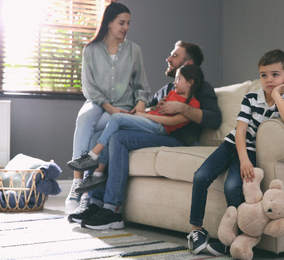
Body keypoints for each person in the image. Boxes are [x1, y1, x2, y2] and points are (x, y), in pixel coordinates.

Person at [67, 41, 222, 230]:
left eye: (174, 56)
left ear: (188, 64)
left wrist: (181, 107)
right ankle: (95, 203)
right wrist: (146, 107)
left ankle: (112, 211)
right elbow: (149, 109)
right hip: (155, 131)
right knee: (100, 134)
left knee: (118, 138)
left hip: (177, 139)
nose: (168, 59)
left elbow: (214, 119)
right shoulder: (168, 89)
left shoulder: (202, 88)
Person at [187, 49, 284, 255]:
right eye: (264, 75)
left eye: (275, 75)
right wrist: (244, 159)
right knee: (201, 176)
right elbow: (240, 131)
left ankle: (233, 239)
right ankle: (196, 230)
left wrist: (276, 95)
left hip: (252, 151)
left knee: (232, 187)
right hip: (232, 145)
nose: (268, 80)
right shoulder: (250, 98)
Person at [65, 2, 150, 211]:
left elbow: (142, 85)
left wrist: (140, 103)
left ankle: (85, 189)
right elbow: (89, 87)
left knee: (96, 131)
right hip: (96, 102)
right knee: (85, 118)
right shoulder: (90, 50)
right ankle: (77, 181)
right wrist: (107, 106)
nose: (126, 27)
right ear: (109, 23)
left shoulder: (134, 50)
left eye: (128, 23)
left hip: (123, 106)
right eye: (121, 22)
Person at [67, 65, 203, 179]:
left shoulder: (193, 105)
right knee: (114, 126)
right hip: (149, 121)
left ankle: (93, 155)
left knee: (116, 118)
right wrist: (148, 110)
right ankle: (97, 174)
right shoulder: (172, 94)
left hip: (159, 128)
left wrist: (145, 117)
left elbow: (172, 121)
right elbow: (156, 109)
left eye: (178, 79)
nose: (174, 82)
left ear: (190, 82)